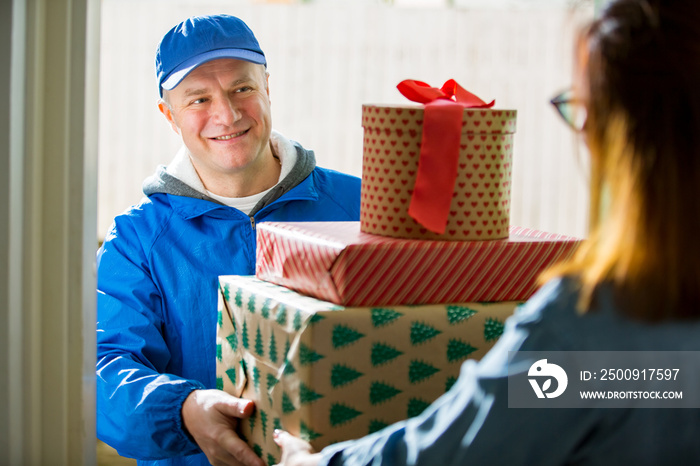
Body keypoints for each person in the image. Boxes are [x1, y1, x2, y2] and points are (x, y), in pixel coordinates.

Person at [274, 0, 700, 464]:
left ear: (624, 136)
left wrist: (311, 463)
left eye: (583, 109)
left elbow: (447, 453)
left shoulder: (594, 329)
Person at [96, 14, 361, 466]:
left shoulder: (359, 207)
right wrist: (182, 411)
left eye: (242, 88)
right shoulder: (137, 239)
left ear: (267, 88)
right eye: (199, 98)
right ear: (170, 116)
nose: (228, 114)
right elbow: (102, 368)